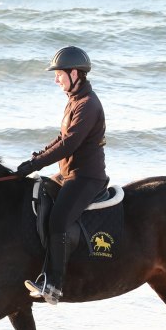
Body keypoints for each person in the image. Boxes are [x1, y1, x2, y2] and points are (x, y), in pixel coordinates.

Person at [14, 45, 108, 303]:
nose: (55, 79)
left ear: (74, 73)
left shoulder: (88, 104)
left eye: (58, 74)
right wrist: (36, 158)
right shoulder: (75, 100)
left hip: (86, 177)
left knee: (58, 220)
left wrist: (37, 165)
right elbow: (61, 138)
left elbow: (69, 145)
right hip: (67, 174)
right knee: (37, 198)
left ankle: (54, 284)